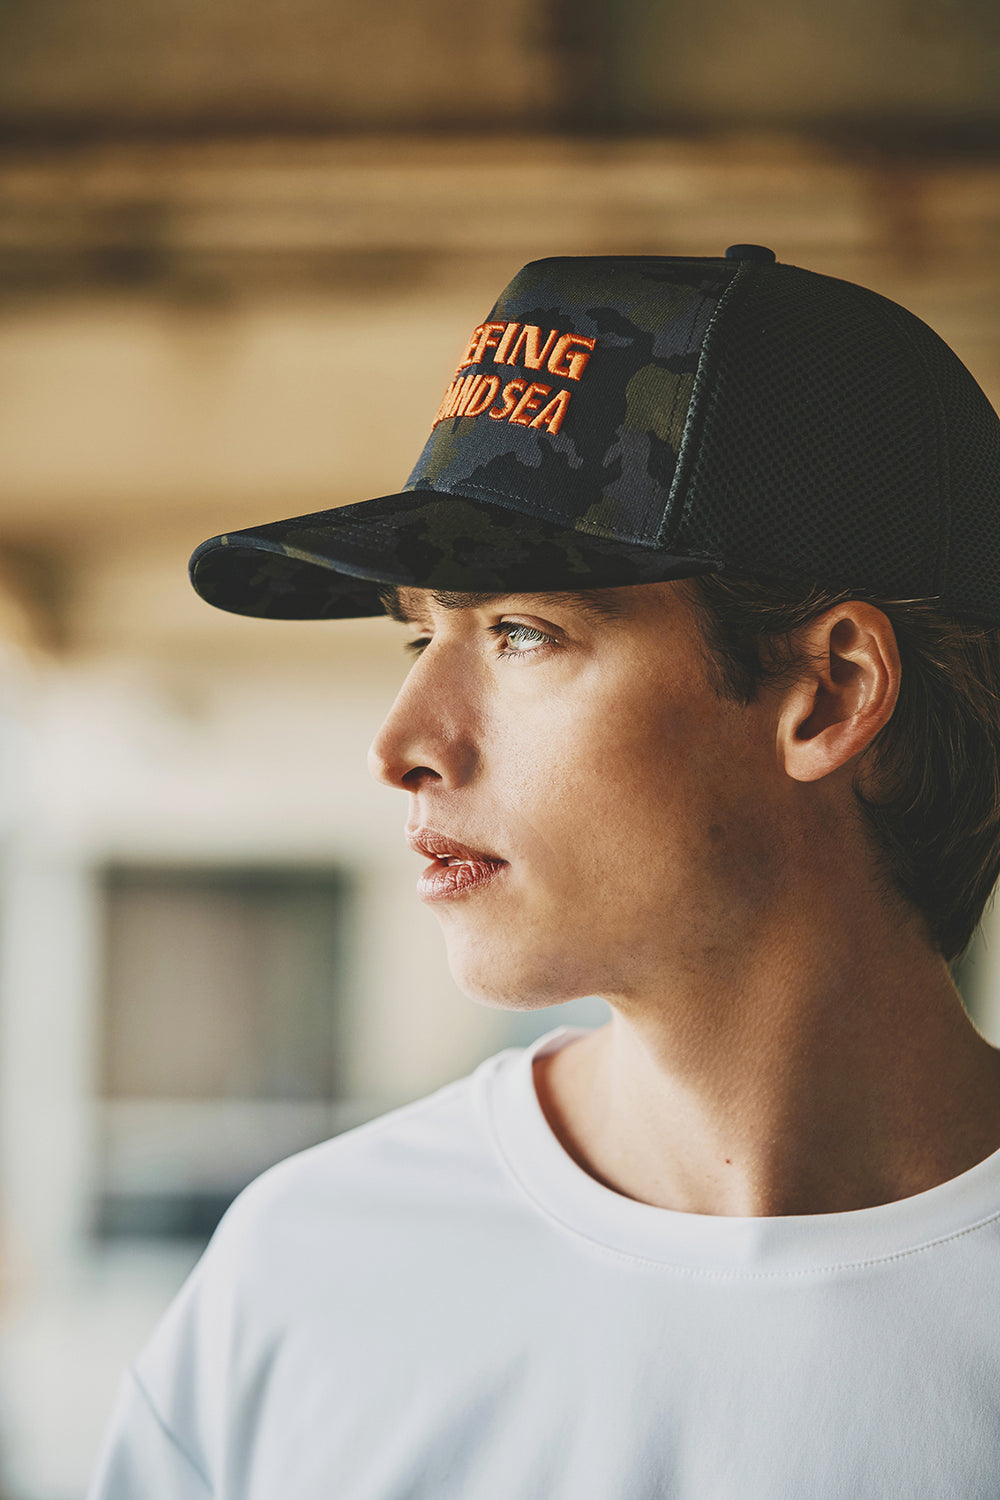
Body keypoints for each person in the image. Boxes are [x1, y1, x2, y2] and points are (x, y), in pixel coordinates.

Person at [89, 245, 1000, 1497]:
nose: (403, 745)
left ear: (829, 691)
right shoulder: (310, 1275)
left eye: (520, 633)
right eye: (421, 636)